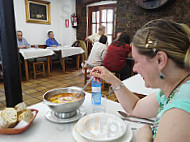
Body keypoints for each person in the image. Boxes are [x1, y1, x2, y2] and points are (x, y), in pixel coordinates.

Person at [91, 19, 190, 142]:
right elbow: (134, 108)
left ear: (160, 60)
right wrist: (112, 79)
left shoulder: (179, 113)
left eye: (137, 61)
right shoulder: (173, 89)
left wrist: (144, 138)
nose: (134, 68)